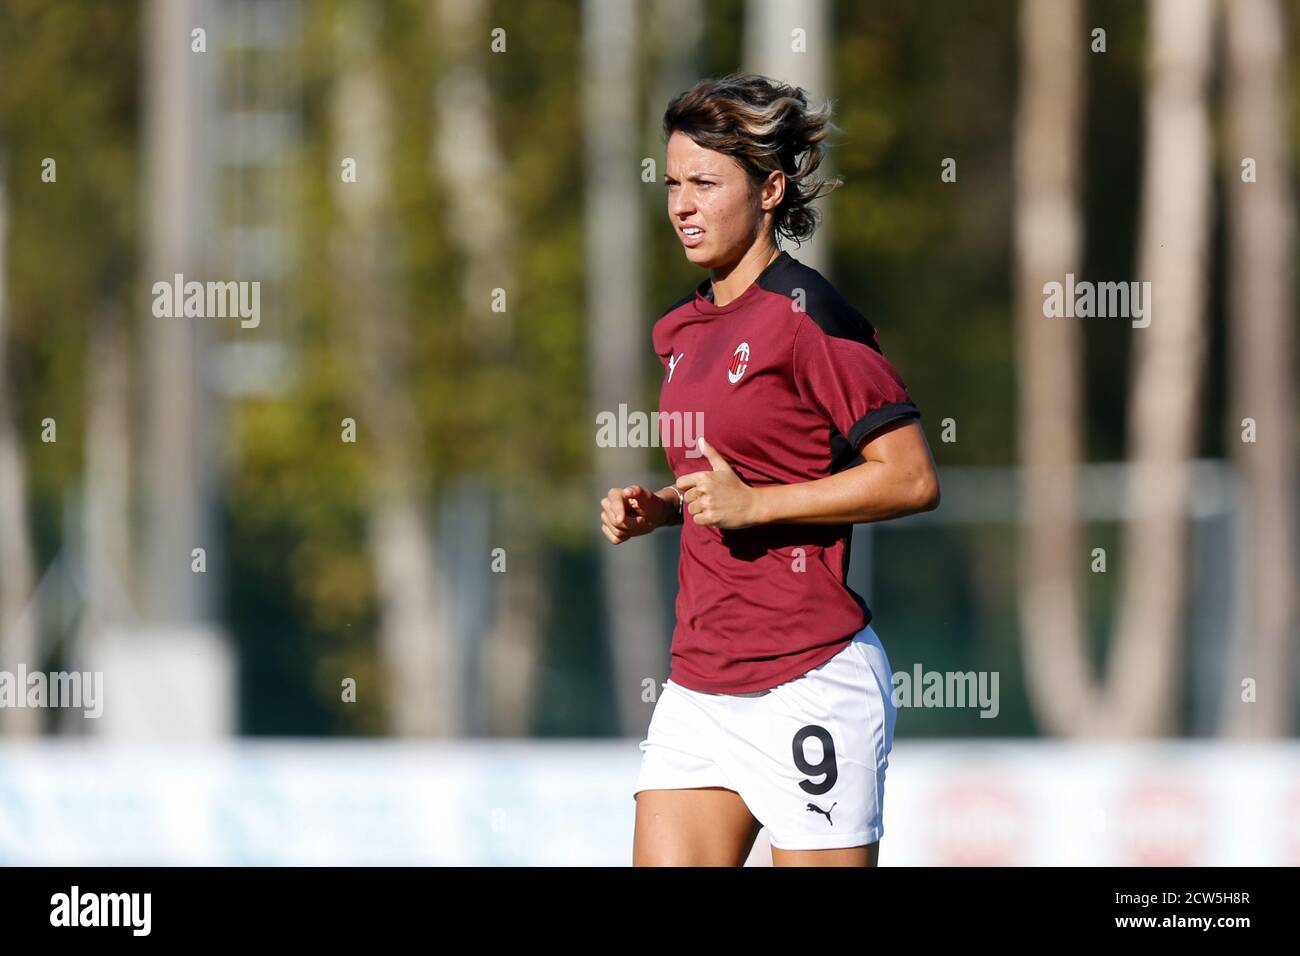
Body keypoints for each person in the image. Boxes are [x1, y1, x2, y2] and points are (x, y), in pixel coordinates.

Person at [602, 73, 940, 867]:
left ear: (770, 189)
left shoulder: (811, 316)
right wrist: (664, 506)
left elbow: (910, 477)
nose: (682, 204)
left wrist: (754, 508)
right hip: (698, 685)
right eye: (672, 184)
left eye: (705, 184)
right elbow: (740, 476)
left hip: (810, 680)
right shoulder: (681, 329)